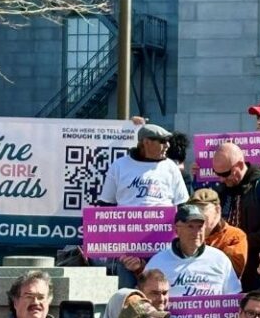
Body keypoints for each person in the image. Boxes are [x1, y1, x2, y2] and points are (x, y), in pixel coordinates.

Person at [98, 123, 192, 287]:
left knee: (161, 290)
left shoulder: (170, 167)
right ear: (146, 142)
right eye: (162, 141)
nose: (167, 146)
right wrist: (115, 247)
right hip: (128, 248)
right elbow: (106, 206)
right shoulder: (119, 166)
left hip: (163, 246)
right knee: (127, 295)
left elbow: (183, 206)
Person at [211, 142, 260, 286]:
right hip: (227, 274)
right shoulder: (221, 192)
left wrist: (240, 241)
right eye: (217, 174)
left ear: (240, 165)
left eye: (225, 174)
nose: (221, 179)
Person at [132, 203, 243, 296]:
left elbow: (233, 297)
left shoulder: (219, 259)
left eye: (200, 227)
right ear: (177, 230)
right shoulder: (158, 262)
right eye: (190, 226)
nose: (196, 232)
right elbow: (144, 297)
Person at [191, 188, 249, 276]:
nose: (197, 216)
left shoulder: (234, 236)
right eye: (192, 211)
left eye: (202, 210)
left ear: (217, 210)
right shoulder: (185, 234)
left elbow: (231, 272)